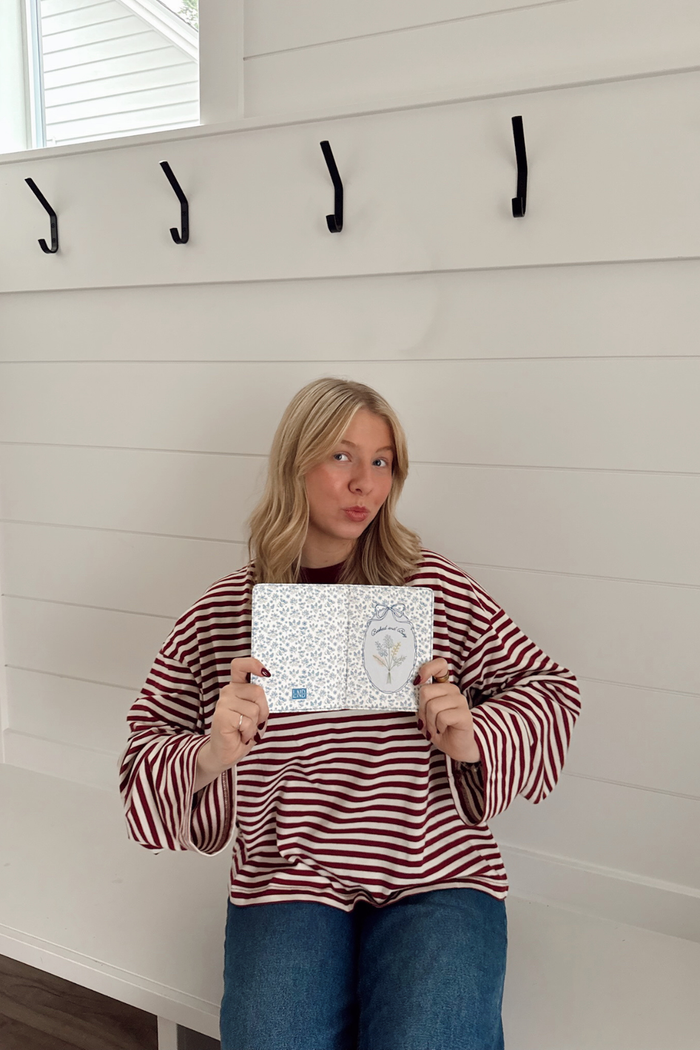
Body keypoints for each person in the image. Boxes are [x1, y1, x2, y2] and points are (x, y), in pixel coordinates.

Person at [118, 377, 581, 1050]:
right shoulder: (227, 610)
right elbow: (142, 753)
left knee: (431, 1037)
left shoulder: (433, 586)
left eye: (382, 460)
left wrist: (474, 734)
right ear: (294, 462)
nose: (365, 481)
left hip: (436, 864)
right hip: (290, 868)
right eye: (341, 456)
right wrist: (208, 753)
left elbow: (550, 688)